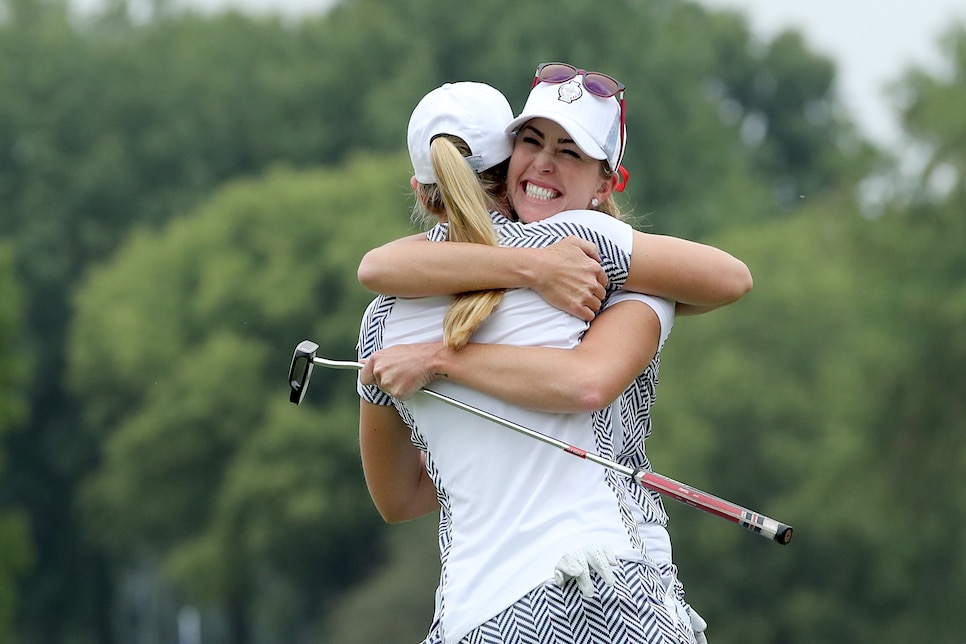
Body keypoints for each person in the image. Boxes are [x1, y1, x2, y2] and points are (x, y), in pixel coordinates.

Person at [359, 69, 745, 642]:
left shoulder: (380, 322)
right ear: (504, 164)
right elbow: (729, 278)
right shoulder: (589, 251)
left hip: (475, 616)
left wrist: (448, 379)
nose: (543, 162)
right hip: (606, 590)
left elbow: (399, 497)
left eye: (569, 151)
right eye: (533, 142)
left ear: (421, 190)